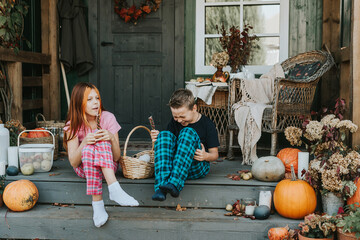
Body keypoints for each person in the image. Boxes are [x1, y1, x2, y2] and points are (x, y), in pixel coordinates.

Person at [63, 82, 138, 228]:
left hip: (109, 168)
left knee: (103, 141)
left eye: (97, 98)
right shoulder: (73, 124)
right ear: (79, 103)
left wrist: (110, 137)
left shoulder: (108, 118)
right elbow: (73, 162)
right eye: (89, 100)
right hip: (85, 169)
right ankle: (105, 198)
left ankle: (109, 194)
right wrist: (84, 142)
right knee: (88, 148)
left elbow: (116, 158)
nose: (95, 103)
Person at [150, 89, 219, 201]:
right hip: (175, 167)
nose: (179, 120)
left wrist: (206, 156)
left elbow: (215, 154)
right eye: (175, 117)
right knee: (164, 135)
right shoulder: (175, 122)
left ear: (194, 108)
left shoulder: (207, 124)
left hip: (196, 166)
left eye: (182, 116)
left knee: (188, 132)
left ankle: (174, 184)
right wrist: (157, 140)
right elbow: (168, 146)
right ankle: (161, 188)